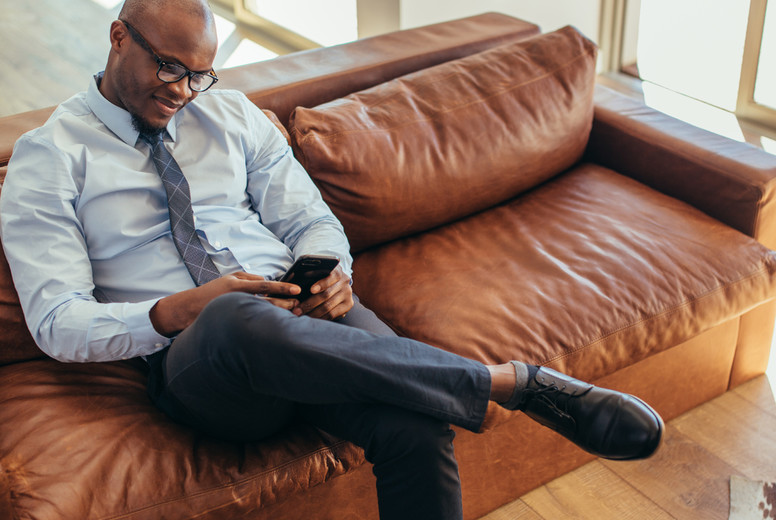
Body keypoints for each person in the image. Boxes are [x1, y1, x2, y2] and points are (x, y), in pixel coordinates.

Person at [0, 1, 663, 518]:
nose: (184, 90)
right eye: (169, 66)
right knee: (234, 317)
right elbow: (57, 323)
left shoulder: (232, 116)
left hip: (306, 319)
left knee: (417, 425)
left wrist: (328, 271)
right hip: (201, 361)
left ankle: (492, 384)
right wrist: (180, 311)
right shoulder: (49, 157)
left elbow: (307, 217)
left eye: (201, 73)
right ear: (119, 39)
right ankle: (510, 384)